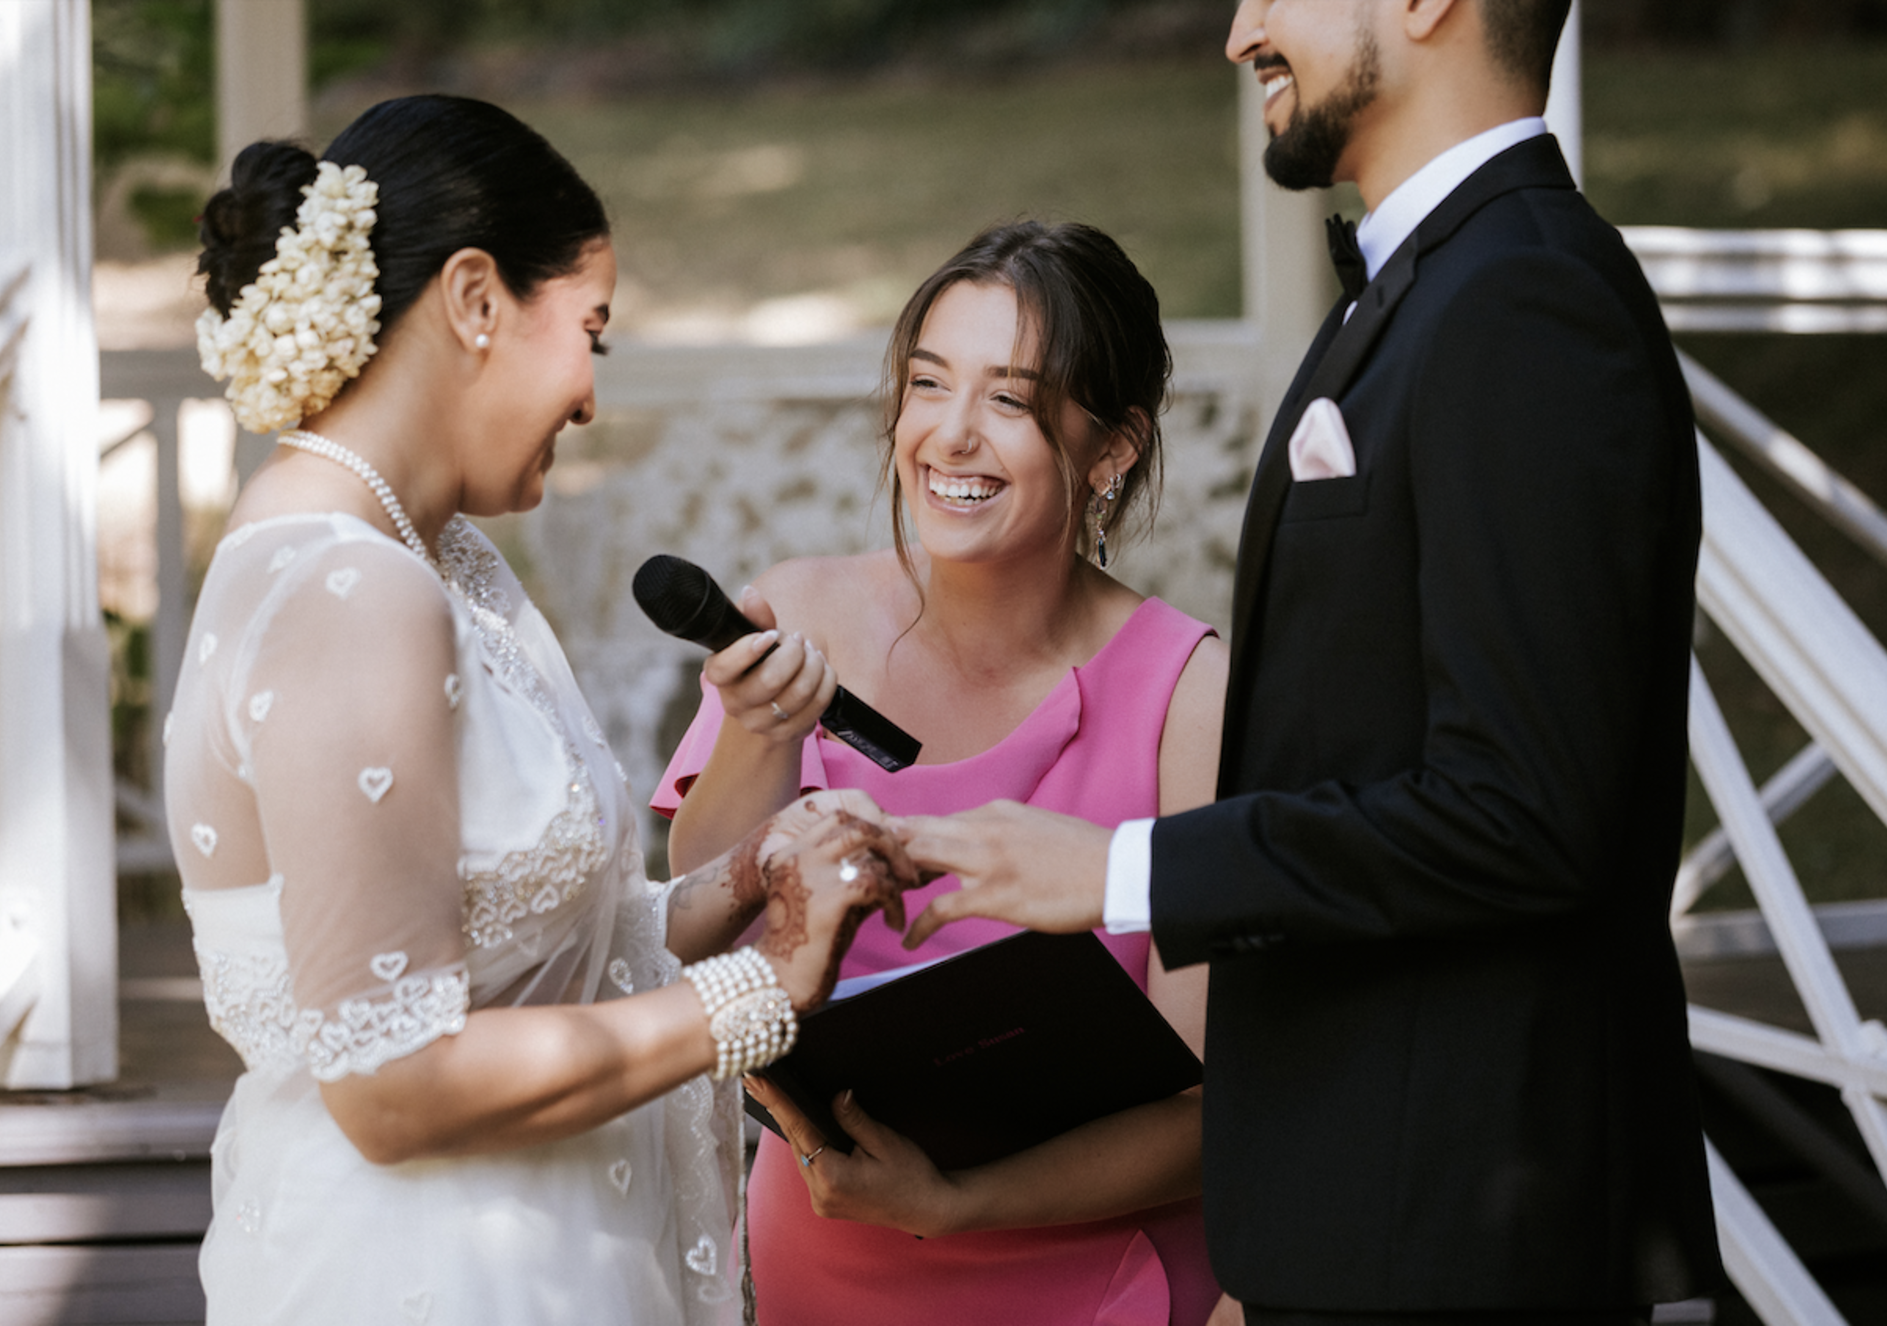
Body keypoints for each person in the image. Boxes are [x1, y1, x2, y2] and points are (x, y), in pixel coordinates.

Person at [898, 2, 1724, 1323]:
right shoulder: (1429, 291)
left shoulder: (1524, 299)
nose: (1240, 34)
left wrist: (1119, 868)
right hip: (1365, 1231)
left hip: (1464, 1245)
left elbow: (1524, 812)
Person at [163, 94, 917, 1326]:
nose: (587, 398)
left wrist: (739, 889)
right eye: (590, 333)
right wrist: (759, 990)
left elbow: (513, 961)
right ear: (474, 301)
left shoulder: (434, 559)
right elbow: (392, 1084)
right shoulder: (353, 590)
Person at [653, 221, 1236, 1326]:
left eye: (1009, 401)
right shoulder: (801, 613)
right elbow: (698, 909)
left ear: (1109, 448)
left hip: (1099, 1276)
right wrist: (755, 735)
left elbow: (1213, 1106)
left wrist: (957, 1201)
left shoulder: (1188, 691)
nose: (950, 436)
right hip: (827, 1251)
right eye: (928, 385)